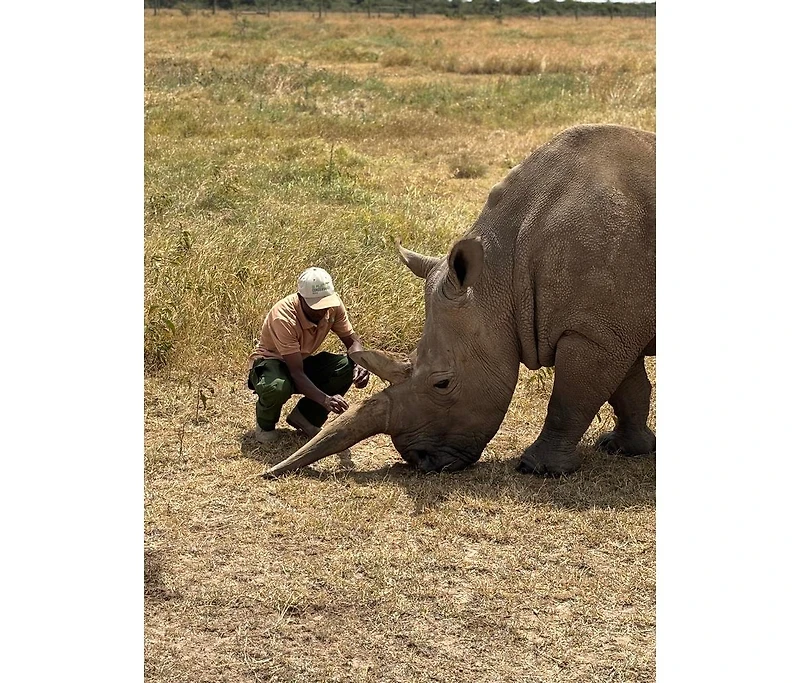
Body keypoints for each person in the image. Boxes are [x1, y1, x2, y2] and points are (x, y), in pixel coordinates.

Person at [247, 267, 370, 444]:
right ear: (301, 298)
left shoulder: (333, 307)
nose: (323, 310)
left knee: (346, 366)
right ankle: (265, 424)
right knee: (276, 387)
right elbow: (296, 373)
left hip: (300, 360)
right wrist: (326, 400)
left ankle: (306, 418)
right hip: (272, 363)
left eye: (326, 303)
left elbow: (352, 342)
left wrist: (362, 363)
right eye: (316, 306)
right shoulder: (283, 317)